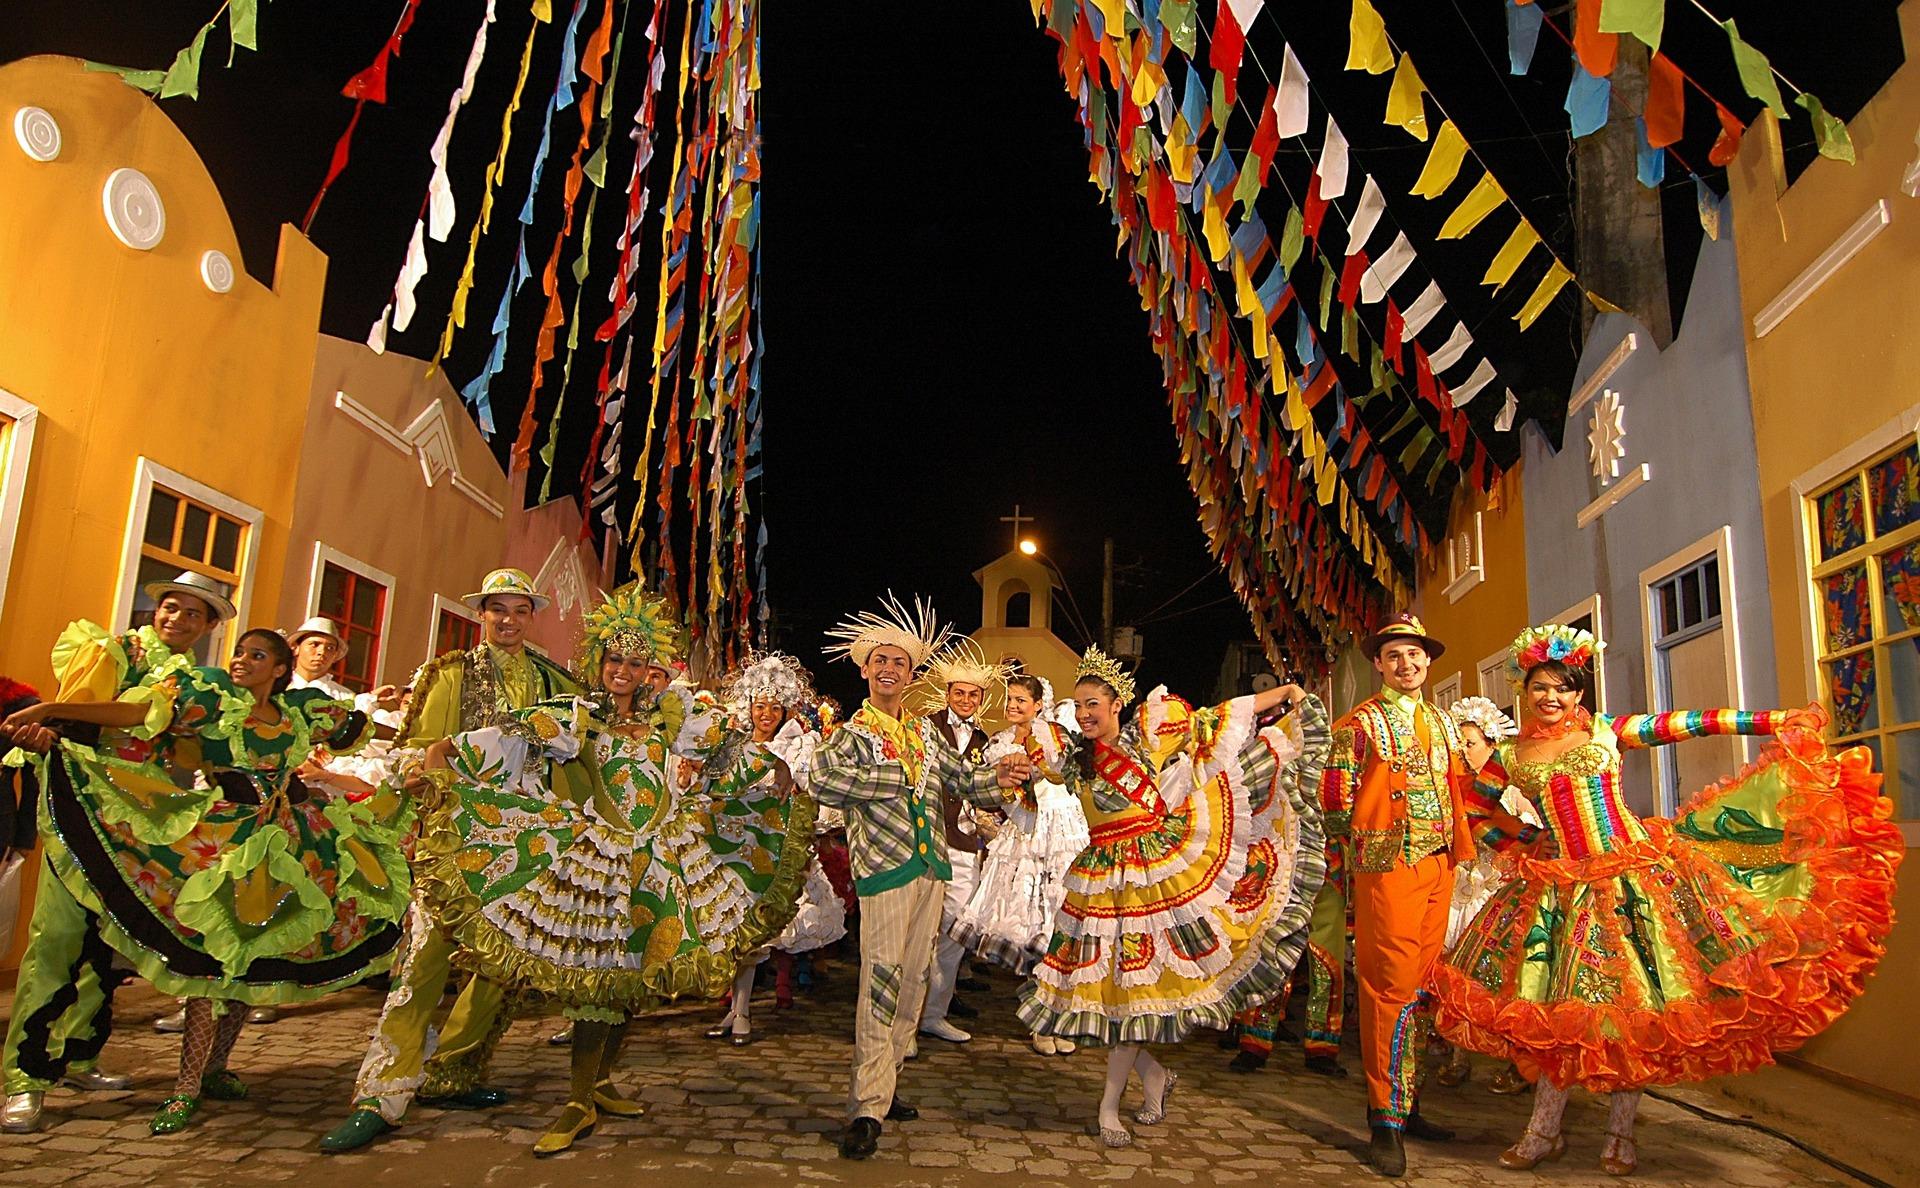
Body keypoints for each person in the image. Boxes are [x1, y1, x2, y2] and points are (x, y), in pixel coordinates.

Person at [1429, 625, 1903, 1176]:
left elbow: (1692, 724)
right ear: (1525, 691)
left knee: (1635, 1014)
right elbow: (1475, 810)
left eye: (1563, 687)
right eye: (1540, 688)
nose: (1551, 698)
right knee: (1558, 1018)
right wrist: (1522, 840)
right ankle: (1542, 1133)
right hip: (1557, 892)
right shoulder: (1510, 754)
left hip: (1633, 881)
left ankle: (1620, 1136)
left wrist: (1774, 722)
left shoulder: (1609, 732)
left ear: (1580, 694)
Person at [409, 585, 815, 1154]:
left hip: (658, 860)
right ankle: (576, 1099)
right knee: (601, 979)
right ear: (598, 663)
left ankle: (599, 1083)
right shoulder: (579, 718)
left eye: (636, 661)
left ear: (651, 667)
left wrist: (773, 774)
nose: (624, 671)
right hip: (598, 861)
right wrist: (445, 755)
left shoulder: (670, 718)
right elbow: (508, 742)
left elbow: (730, 752)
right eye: (614, 660)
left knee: (634, 974)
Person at [2, 628, 407, 1134]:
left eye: (256, 655)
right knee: (214, 961)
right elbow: (135, 713)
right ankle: (184, 1086)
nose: (241, 661)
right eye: (239, 651)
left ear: (280, 670)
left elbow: (369, 730)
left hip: (293, 839)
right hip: (230, 840)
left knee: (254, 953)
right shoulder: (212, 701)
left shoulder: (302, 712)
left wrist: (435, 741)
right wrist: (51, 711)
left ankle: (214, 1069)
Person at [1017, 646, 1330, 1149]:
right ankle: (1156, 1076)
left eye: (1093, 704)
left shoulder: (1149, 734)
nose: (1084, 714)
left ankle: (1108, 1106)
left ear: (1116, 703)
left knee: (1134, 991)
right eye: (1077, 707)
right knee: (1117, 993)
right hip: (1099, 880)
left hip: (1151, 874)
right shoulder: (1072, 755)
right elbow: (1026, 765)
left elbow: (1218, 717)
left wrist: (1287, 693)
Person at [321, 567, 580, 1154]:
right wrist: (442, 765)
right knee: (423, 963)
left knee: (505, 965)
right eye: (497, 610)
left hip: (527, 845)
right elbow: (414, 755)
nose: (508, 620)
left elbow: (575, 755)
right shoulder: (450, 675)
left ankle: (452, 1071)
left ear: (530, 616)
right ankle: (380, 1094)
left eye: (518, 609)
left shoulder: (554, 682)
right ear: (481, 615)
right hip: (455, 839)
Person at [1, 572, 230, 1134]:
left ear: (207, 628)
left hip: (143, 817)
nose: (175, 618)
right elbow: (80, 713)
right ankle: (24, 1080)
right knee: (56, 937)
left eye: (192, 614)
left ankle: (80, 1056)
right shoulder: (106, 648)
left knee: (112, 943)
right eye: (170, 607)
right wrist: (48, 726)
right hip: (79, 807)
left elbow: (145, 718)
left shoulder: (194, 683)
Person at [804, 594, 1031, 1161]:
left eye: (900, 663)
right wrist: (895, 778)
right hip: (885, 874)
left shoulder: (927, 736)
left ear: (911, 673)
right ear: (865, 669)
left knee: (915, 977)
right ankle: (866, 1104)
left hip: (930, 872)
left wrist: (1002, 773)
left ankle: (889, 1082)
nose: (889, 669)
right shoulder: (854, 733)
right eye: (880, 660)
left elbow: (969, 784)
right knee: (881, 980)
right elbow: (823, 782)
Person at [1319, 612, 1535, 1178]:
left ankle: (1408, 1104)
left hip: (1440, 864)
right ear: (1379, 664)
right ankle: (1383, 1119)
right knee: (1387, 986)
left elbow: (1463, 790)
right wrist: (1359, 858)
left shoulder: (1442, 724)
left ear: (1428, 660)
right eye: (1394, 656)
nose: (1406, 664)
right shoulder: (1359, 725)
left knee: (1420, 986)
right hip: (1388, 868)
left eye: (1415, 655)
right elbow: (1334, 800)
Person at [706, 654, 845, 1045]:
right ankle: (735, 1009)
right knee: (732, 932)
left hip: (772, 850)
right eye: (759, 706)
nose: (766, 714)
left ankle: (744, 1011)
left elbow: (809, 792)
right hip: (730, 847)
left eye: (773, 707)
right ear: (748, 707)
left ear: (784, 709)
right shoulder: (731, 743)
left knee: (756, 933)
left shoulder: (799, 747)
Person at [953, 674, 1089, 1056]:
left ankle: (1060, 1017)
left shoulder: (1059, 737)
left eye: (1020, 700)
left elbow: (1070, 778)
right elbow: (998, 795)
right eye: (1010, 699)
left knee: (1060, 925)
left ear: (1038, 704)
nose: (1013, 706)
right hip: (1026, 839)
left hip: (1064, 834)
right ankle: (1039, 1021)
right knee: (1033, 925)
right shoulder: (999, 745)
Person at [1431, 696, 1533, 1091]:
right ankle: (1458, 1052)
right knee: (1456, 975)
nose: (1463, 752)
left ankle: (1515, 1060)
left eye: (1470, 744)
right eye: (1457, 745)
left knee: (1503, 979)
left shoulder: (1508, 790)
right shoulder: (1451, 790)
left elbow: (1521, 836)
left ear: (1492, 745)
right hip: (1461, 892)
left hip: (1495, 894)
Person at [915, 638, 1004, 1045]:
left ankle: (935, 1013)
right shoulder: (923, 729)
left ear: (981, 699)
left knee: (954, 934)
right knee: (917, 933)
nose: (966, 699)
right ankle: (905, 1022)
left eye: (973, 694)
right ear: (947, 694)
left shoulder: (988, 742)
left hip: (967, 847)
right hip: (926, 841)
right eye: (959, 692)